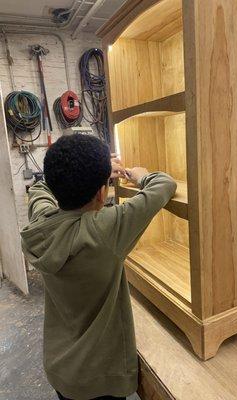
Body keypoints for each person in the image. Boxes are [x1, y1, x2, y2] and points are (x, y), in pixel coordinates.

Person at [21, 134, 176, 400]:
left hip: (62, 370)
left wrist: (96, 172)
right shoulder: (105, 230)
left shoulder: (41, 223)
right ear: (103, 192)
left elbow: (39, 190)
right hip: (102, 377)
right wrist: (141, 176)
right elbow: (164, 185)